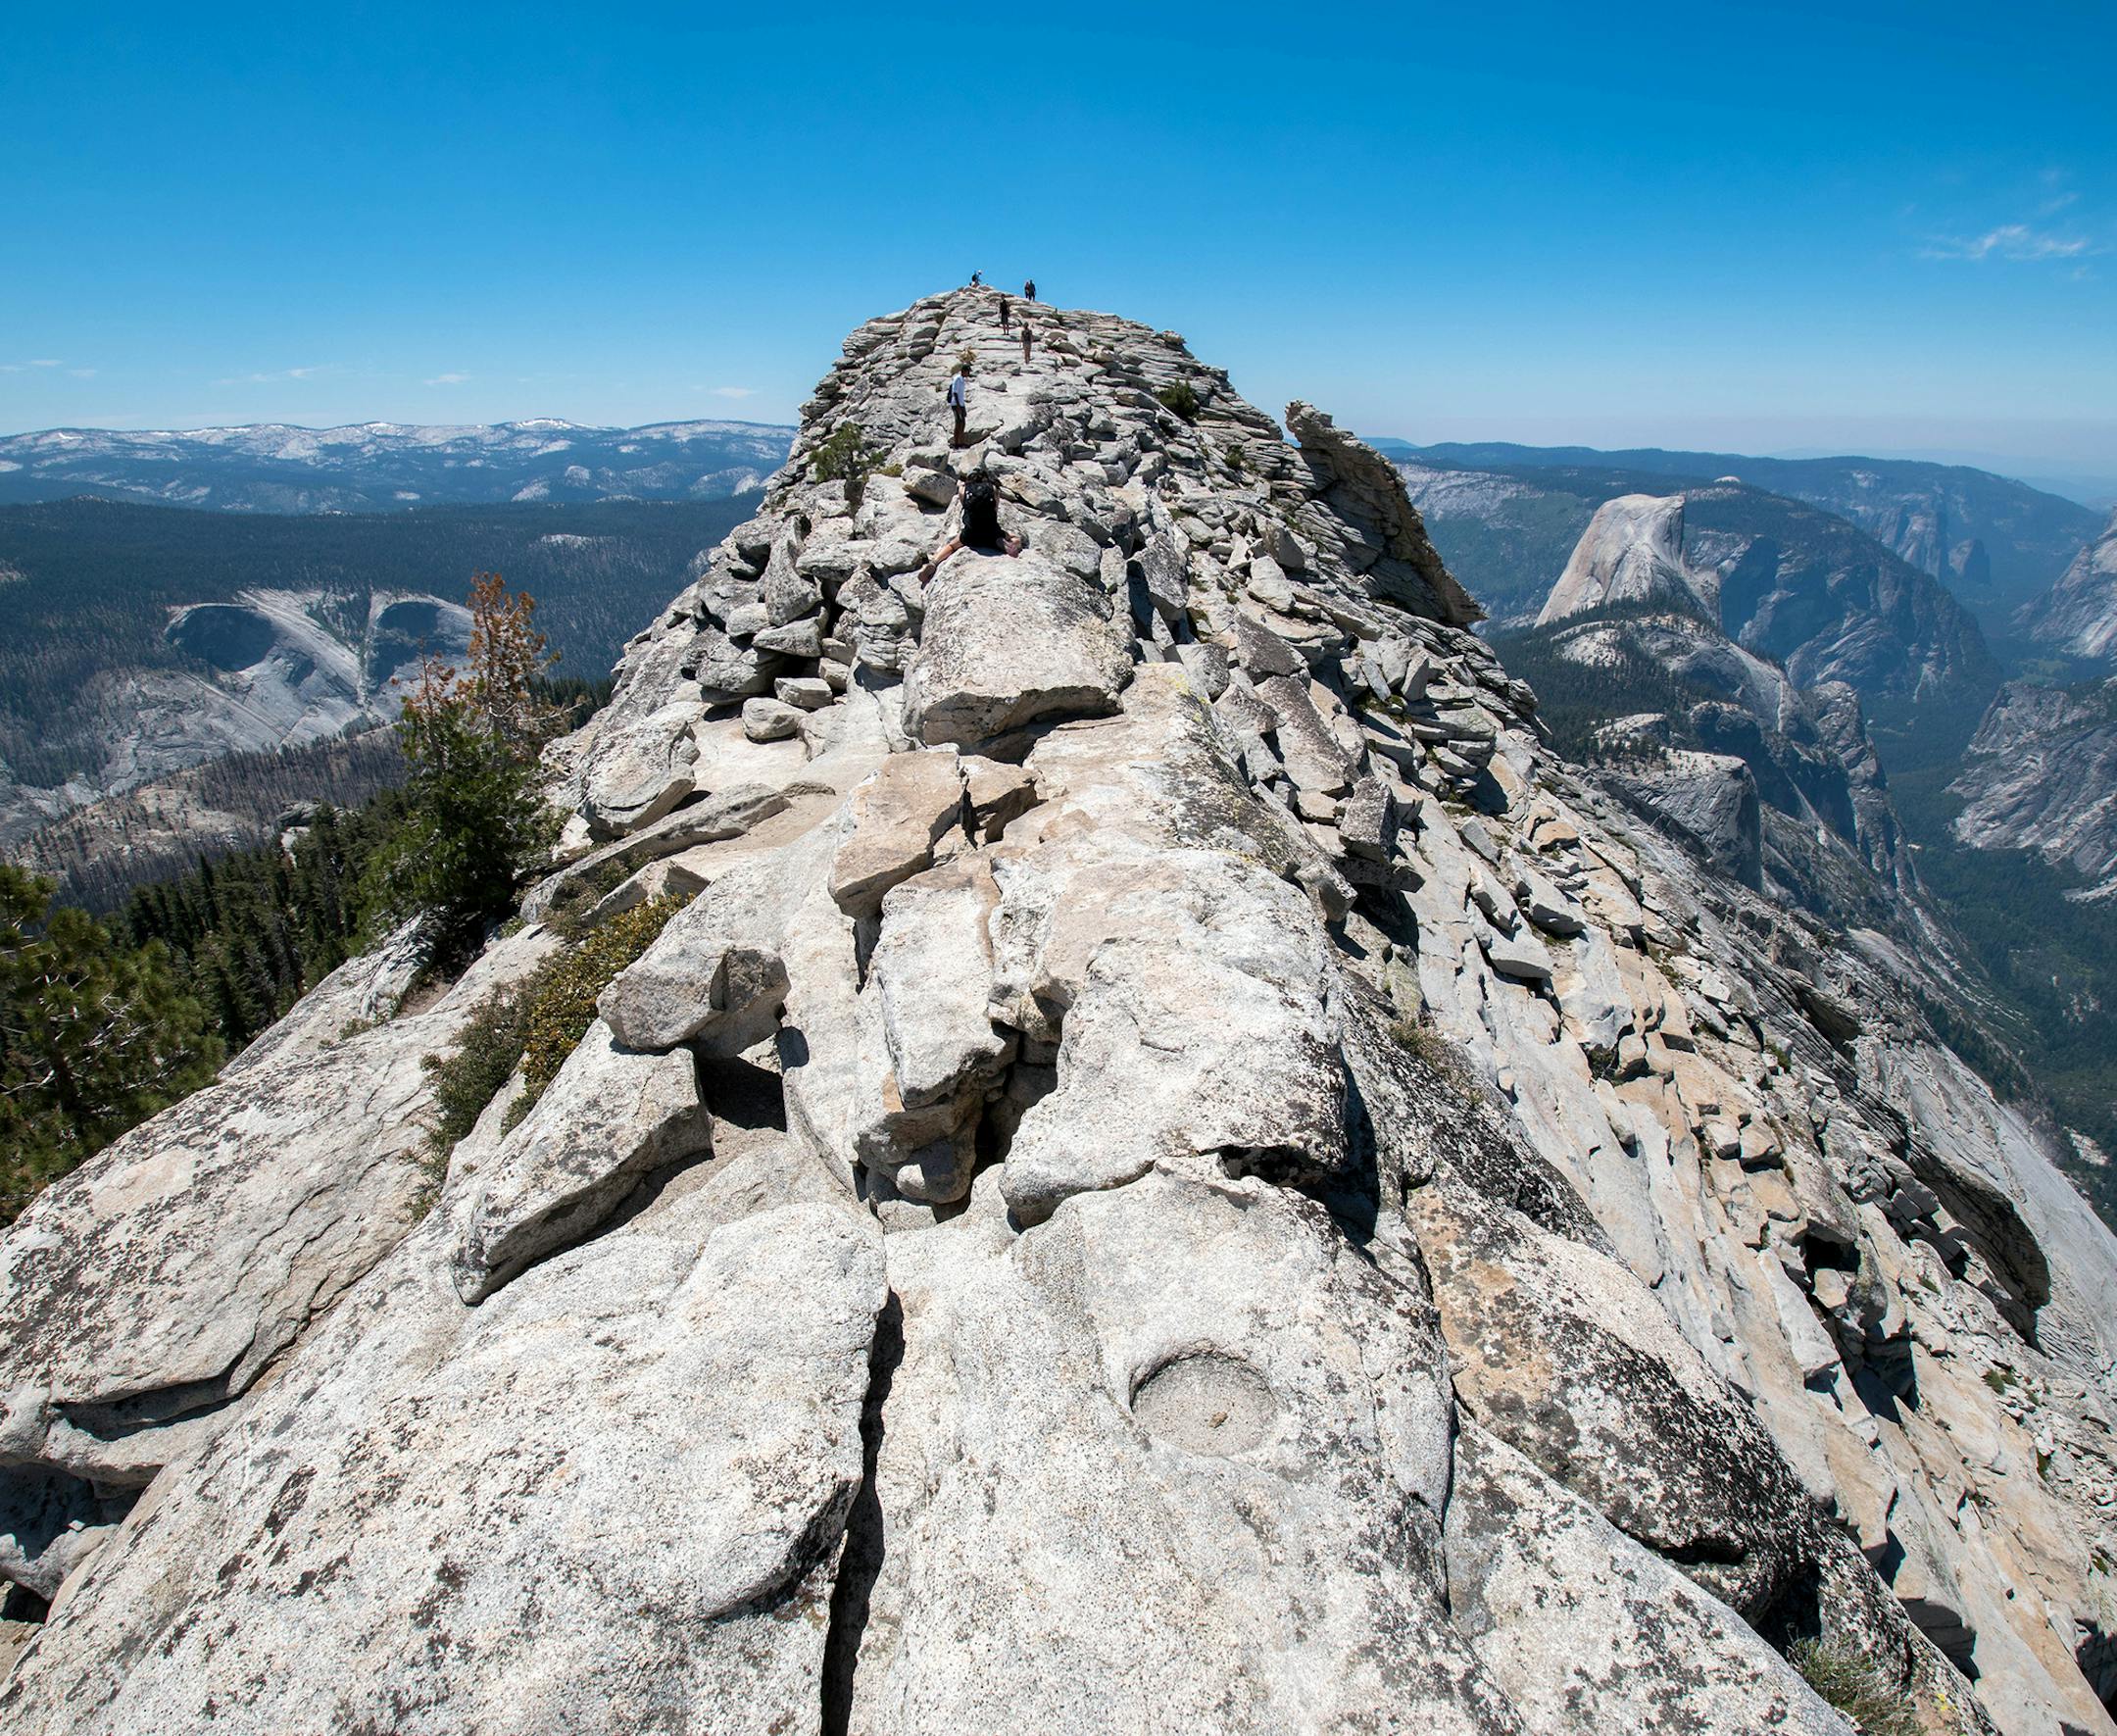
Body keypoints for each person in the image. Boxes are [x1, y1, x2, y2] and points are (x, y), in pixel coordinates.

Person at [918, 473, 1021, 580]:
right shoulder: (994, 489)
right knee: (1016, 538)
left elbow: (965, 507)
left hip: (971, 533)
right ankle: (1004, 542)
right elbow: (995, 510)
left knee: (951, 546)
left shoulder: (963, 490)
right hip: (992, 532)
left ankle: (934, 562)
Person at [946, 365, 968, 448]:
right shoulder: (957, 379)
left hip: (961, 404)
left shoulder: (962, 380)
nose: (968, 374)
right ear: (963, 371)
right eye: (967, 372)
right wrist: (958, 406)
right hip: (956, 404)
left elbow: (961, 394)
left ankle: (961, 442)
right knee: (958, 422)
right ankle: (956, 444)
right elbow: (954, 392)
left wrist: (963, 407)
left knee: (962, 423)